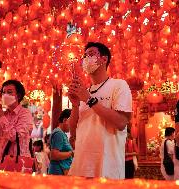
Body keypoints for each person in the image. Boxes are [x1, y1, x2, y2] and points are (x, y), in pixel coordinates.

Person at [68, 42, 132, 179]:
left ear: (104, 59)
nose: (86, 59)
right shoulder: (84, 92)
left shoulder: (119, 85)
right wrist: (75, 105)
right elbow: (72, 130)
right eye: (84, 56)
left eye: (91, 54)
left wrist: (89, 100)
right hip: (81, 167)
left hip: (108, 168)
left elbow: (121, 122)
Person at [0, 80, 34, 170]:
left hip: (17, 164)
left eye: (9, 92)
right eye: (3, 92)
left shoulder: (25, 114)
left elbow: (14, 136)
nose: (5, 95)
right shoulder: (3, 115)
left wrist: (1, 117)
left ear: (18, 95)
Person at [48, 109, 73, 175]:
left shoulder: (61, 133)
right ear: (65, 120)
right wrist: (71, 153)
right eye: (72, 122)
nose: (73, 126)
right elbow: (54, 155)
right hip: (57, 171)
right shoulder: (59, 133)